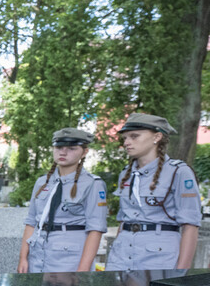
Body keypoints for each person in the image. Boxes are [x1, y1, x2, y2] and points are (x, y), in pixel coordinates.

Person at [106, 113, 201, 271]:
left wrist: (181, 271)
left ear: (156, 137)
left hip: (159, 257)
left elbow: (190, 225)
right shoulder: (126, 173)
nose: (127, 142)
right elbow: (123, 221)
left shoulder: (178, 172)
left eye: (134, 136)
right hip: (121, 256)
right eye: (125, 138)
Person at [18, 128, 108, 273]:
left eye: (72, 148)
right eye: (59, 147)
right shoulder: (42, 182)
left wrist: (83, 270)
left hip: (69, 259)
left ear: (84, 152)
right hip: (37, 256)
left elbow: (95, 229)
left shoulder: (93, 184)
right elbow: (31, 222)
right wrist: (23, 258)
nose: (63, 152)